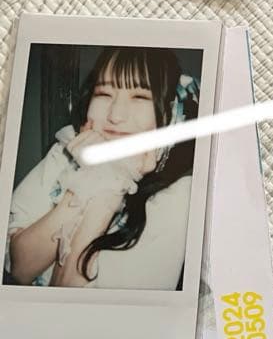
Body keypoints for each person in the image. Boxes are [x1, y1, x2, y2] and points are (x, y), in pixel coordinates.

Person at [5, 47, 198, 289]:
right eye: (104, 93)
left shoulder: (181, 195)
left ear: (172, 113)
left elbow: (67, 298)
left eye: (140, 97)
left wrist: (112, 185)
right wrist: (89, 178)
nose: (115, 115)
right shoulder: (65, 151)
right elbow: (19, 269)